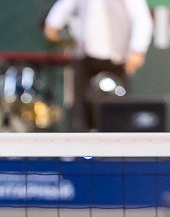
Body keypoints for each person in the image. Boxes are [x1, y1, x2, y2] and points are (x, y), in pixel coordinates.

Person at [44, 0, 153, 131]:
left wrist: (137, 50)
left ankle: (116, 143)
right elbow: (67, 3)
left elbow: (141, 19)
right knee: (80, 114)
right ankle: (82, 143)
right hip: (85, 58)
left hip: (115, 61)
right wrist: (53, 21)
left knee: (117, 114)